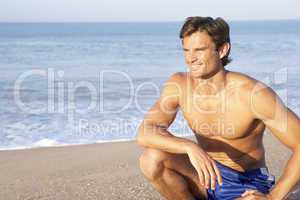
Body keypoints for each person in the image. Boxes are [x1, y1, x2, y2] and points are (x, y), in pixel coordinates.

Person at [136, 16, 300, 200]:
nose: (190, 58)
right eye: (186, 50)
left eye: (199, 50)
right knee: (151, 159)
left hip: (247, 182)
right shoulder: (179, 84)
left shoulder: (253, 94)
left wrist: (273, 197)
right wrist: (189, 146)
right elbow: (145, 132)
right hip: (207, 176)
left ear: (222, 50)